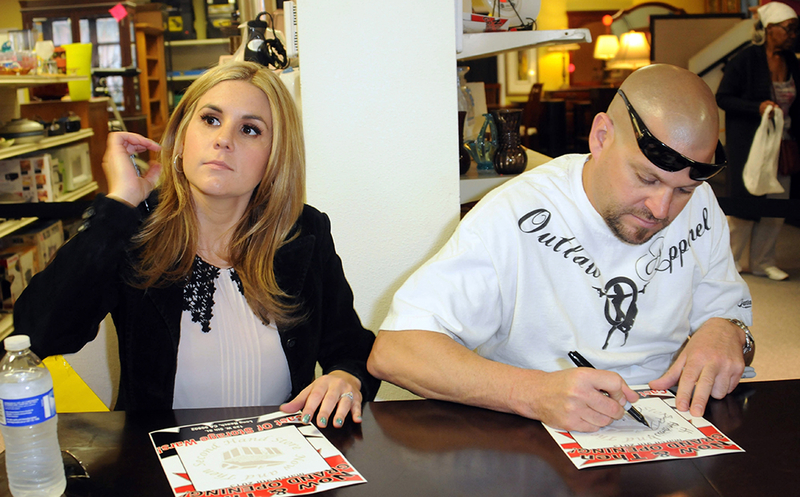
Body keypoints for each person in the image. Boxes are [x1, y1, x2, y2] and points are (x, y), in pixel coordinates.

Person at [368, 64, 754, 433]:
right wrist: (530, 392)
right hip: (536, 433)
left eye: (683, 190)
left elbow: (731, 319)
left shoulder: (702, 206)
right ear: (601, 137)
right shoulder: (515, 212)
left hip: (663, 422)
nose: (661, 209)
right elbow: (397, 350)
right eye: (645, 178)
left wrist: (729, 330)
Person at [13, 61, 379, 428]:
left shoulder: (303, 231)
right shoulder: (134, 230)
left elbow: (351, 349)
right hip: (161, 470)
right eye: (210, 120)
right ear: (181, 136)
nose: (223, 140)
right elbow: (38, 335)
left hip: (280, 463)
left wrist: (346, 378)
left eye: (250, 129)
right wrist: (119, 204)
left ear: (276, 156)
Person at [716, 1, 799, 281]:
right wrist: (757, 108)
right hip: (749, 146)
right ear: (770, 29)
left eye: (794, 30)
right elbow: (723, 98)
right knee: (743, 206)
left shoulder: (793, 63)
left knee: (777, 202)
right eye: (788, 29)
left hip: (783, 145)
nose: (792, 35)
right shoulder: (745, 60)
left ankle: (764, 261)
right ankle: (731, 262)